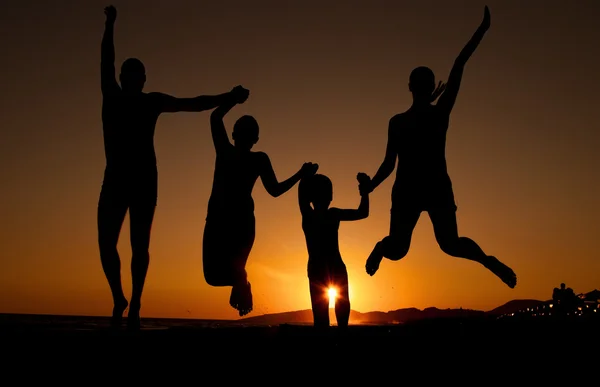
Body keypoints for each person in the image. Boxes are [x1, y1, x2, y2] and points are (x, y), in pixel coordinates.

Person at [98, 5, 249, 329]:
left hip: (143, 180)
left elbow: (192, 103)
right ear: (122, 78)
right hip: (114, 178)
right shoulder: (110, 95)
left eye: (137, 75)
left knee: (140, 245)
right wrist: (110, 25)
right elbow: (106, 60)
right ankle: (119, 298)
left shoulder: (150, 101)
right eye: (127, 74)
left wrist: (229, 97)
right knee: (106, 244)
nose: (131, 79)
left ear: (142, 80)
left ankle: (135, 304)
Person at [360, 6, 516, 289]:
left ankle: (380, 249)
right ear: (431, 85)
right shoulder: (439, 114)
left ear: (409, 86)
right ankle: (487, 260)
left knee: (397, 249)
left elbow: (388, 165)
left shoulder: (398, 121)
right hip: (434, 186)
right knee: (451, 245)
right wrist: (481, 30)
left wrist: (371, 185)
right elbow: (459, 64)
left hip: (410, 188)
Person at [204, 95, 318, 317]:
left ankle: (240, 282)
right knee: (215, 276)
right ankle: (241, 282)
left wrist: (232, 98)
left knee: (220, 274)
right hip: (220, 220)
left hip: (240, 222)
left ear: (252, 139)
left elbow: (215, 116)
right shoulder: (226, 151)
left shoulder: (255, 158)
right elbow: (275, 191)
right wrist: (300, 174)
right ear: (240, 136)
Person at [298, 172, 371, 329]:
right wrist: (304, 177)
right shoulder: (311, 215)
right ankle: (336, 339)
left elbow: (362, 213)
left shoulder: (327, 214)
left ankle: (339, 338)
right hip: (323, 268)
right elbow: (362, 213)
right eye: (325, 192)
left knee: (335, 311)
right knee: (322, 316)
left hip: (332, 267)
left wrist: (365, 192)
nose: (328, 196)